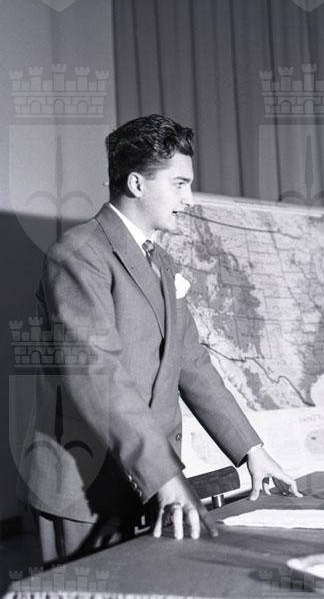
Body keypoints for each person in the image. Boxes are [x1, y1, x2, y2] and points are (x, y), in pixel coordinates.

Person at [19, 114, 301, 564]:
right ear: (136, 183)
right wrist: (166, 478)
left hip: (147, 482)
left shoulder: (163, 264)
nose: (189, 198)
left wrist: (252, 451)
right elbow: (98, 376)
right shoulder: (78, 255)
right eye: (180, 184)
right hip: (86, 489)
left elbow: (193, 365)